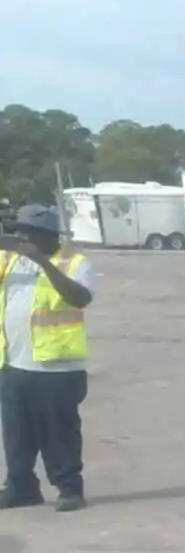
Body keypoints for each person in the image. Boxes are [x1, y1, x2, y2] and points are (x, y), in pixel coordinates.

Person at [0, 203, 97, 511]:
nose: (20, 239)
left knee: (59, 432)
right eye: (17, 233)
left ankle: (70, 489)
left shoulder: (74, 261)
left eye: (26, 233)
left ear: (45, 235)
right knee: (17, 435)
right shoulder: (9, 260)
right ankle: (21, 488)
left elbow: (80, 298)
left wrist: (42, 262)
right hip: (14, 363)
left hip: (57, 367)